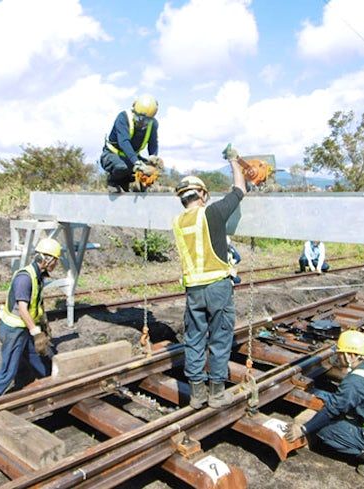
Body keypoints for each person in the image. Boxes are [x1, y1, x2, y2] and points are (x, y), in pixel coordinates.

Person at [171, 144, 246, 409]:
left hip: (193, 291)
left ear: (182, 198)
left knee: (194, 339)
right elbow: (240, 190)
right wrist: (235, 162)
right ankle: (216, 393)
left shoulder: (178, 222)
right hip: (217, 287)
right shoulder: (212, 213)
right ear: (202, 194)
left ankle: (196, 395)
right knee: (220, 337)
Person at [285, 330, 364, 478]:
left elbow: (331, 411)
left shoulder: (353, 383)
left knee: (324, 429)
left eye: (340, 353)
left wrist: (304, 429)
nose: (338, 357)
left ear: (350, 355)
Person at [0, 238, 61, 402]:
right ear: (47, 259)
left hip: (24, 329)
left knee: (38, 357)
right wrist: (36, 333)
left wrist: (44, 324)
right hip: (13, 331)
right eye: (55, 261)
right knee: (8, 372)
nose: (56, 264)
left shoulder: (38, 276)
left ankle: (51, 386)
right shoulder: (25, 278)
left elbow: (36, 303)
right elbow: (23, 309)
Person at [100, 94, 161, 193]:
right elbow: (124, 142)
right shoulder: (123, 118)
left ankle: (139, 187)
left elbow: (153, 143)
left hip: (131, 158)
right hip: (112, 155)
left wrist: (153, 157)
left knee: (150, 172)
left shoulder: (153, 124)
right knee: (122, 168)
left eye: (146, 121)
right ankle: (113, 182)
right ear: (134, 112)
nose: (142, 123)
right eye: (139, 118)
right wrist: (136, 162)